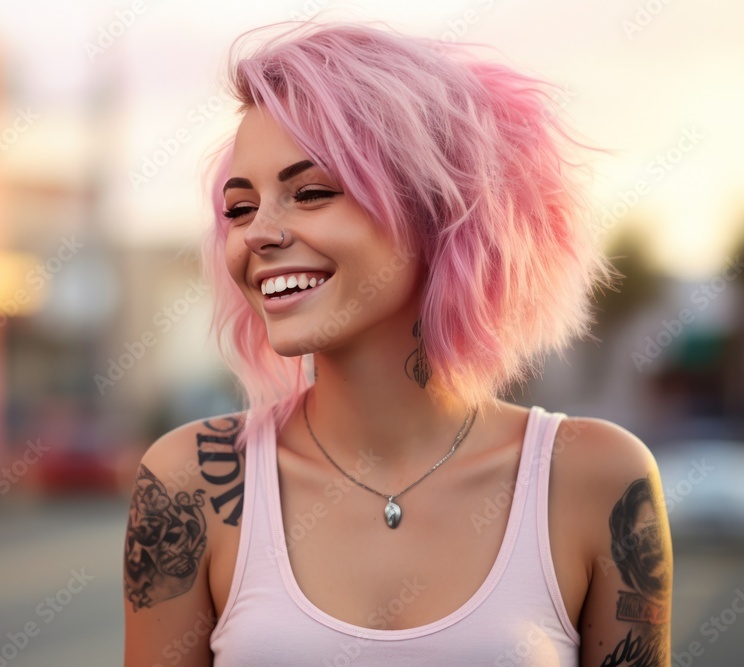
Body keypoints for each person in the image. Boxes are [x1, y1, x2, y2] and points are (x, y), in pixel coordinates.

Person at [123, 20, 672, 666]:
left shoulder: (597, 477)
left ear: (437, 208)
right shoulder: (188, 481)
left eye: (311, 193)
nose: (258, 234)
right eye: (239, 207)